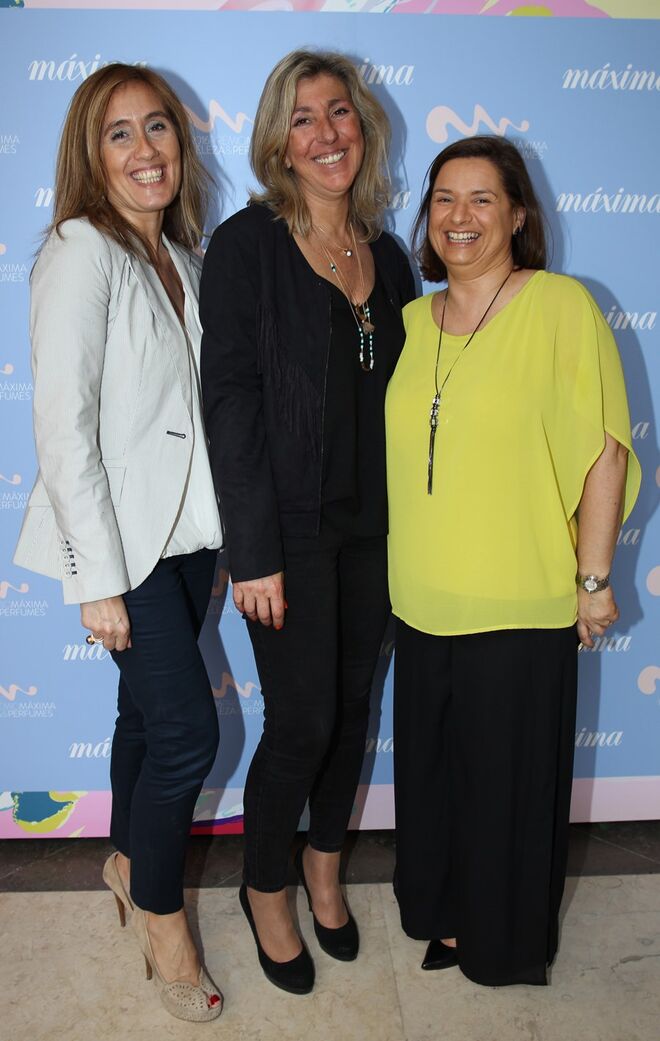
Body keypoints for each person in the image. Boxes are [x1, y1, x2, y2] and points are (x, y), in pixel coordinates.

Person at [385, 135, 641, 987]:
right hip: (419, 602)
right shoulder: (414, 321)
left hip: (521, 602)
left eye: (482, 199)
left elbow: (604, 447)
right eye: (446, 199)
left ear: (519, 214)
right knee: (435, 780)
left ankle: (503, 944)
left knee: (508, 789)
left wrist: (594, 579)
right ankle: (448, 918)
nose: (460, 217)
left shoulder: (559, 305)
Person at [200, 49, 415, 994]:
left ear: (360, 128)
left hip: (381, 532)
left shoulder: (391, 251)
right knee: (302, 719)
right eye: (303, 118)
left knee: (357, 710)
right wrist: (250, 552)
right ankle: (267, 886)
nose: (326, 133)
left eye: (340, 113)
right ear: (278, 143)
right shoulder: (247, 247)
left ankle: (326, 863)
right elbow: (231, 404)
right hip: (284, 536)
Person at [13, 64, 224, 1021]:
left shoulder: (183, 254)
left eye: (159, 129)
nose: (146, 152)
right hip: (120, 548)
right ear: (89, 156)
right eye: (119, 134)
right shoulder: (79, 249)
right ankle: (162, 916)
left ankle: (128, 860)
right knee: (190, 733)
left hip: (186, 537)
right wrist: (95, 579)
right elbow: (63, 428)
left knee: (147, 720)